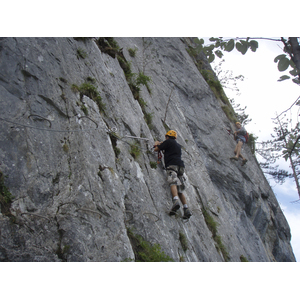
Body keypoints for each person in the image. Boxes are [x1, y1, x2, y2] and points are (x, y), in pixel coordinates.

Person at [154, 130, 192, 219]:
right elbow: (168, 150)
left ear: (167, 136)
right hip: (180, 167)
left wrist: (157, 143)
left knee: (173, 182)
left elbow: (157, 149)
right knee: (180, 190)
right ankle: (186, 208)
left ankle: (175, 201)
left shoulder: (168, 142)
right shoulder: (178, 146)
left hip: (172, 165)